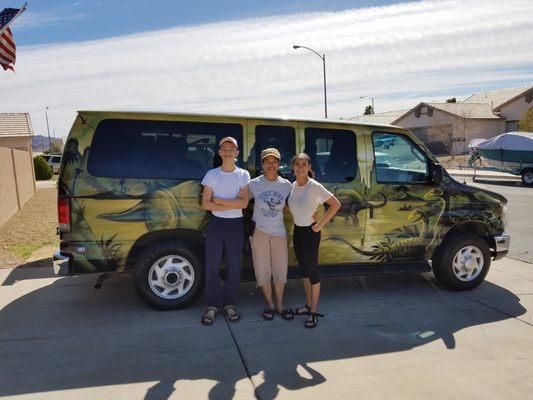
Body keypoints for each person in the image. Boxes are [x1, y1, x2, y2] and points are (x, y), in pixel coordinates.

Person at [200, 137, 250, 325]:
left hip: (235, 225)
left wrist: (218, 201)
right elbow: (205, 204)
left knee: (234, 266)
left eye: (232, 148)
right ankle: (212, 305)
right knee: (212, 265)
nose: (228, 151)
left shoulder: (243, 175)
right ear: (219, 152)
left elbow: (244, 204)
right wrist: (231, 203)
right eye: (224, 148)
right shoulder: (212, 175)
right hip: (216, 225)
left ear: (237, 153)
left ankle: (230, 304)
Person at [288, 153, 341, 328]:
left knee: (312, 271)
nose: (301, 167)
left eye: (304, 164)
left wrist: (319, 225)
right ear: (293, 166)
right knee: (303, 270)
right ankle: (308, 304)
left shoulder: (314, 187)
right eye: (297, 164)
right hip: (298, 231)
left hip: (311, 232)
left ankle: (314, 311)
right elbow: (293, 206)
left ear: (310, 167)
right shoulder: (294, 185)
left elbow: (335, 204)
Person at [248, 148, 293, 321]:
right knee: (262, 269)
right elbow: (242, 199)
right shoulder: (253, 184)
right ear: (262, 164)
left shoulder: (286, 185)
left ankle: (280, 305)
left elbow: (293, 204)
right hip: (259, 231)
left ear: (279, 163)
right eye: (267, 161)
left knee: (280, 270)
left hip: (279, 232)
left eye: (274, 161)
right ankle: (270, 305)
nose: (271, 164)